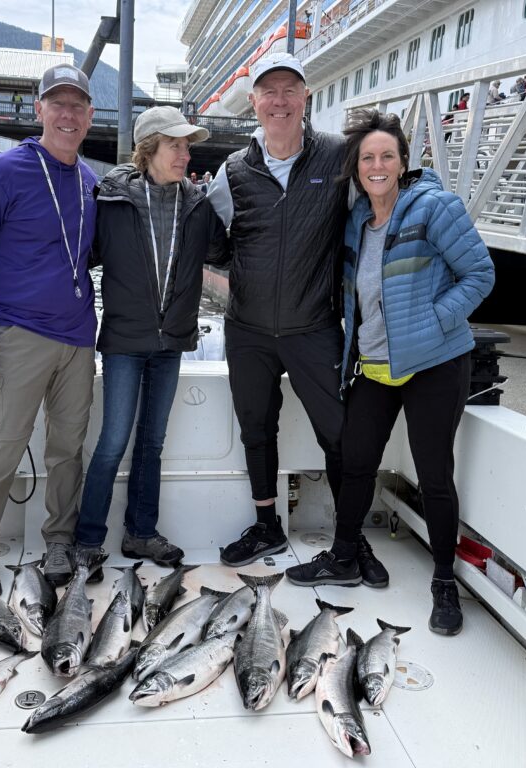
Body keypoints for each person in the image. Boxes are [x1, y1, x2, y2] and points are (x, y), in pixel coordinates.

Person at [284, 110, 495, 637]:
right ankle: (343, 555)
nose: (377, 166)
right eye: (367, 158)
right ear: (356, 168)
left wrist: (434, 320)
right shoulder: (359, 220)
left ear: (403, 162)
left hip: (434, 363)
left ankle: (445, 582)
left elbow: (480, 274)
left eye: (387, 156)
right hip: (376, 367)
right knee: (355, 461)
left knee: (434, 475)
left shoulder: (434, 207)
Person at [207, 52, 384, 577]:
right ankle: (267, 525)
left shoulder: (338, 158)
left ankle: (350, 541)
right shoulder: (233, 170)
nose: (279, 101)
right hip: (249, 329)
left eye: (290, 90)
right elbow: (212, 242)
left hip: (314, 327)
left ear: (305, 98)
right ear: (254, 103)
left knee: (339, 434)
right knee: (256, 429)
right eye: (269, 92)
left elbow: (383, 197)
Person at [0, 63, 98, 592]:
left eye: (77, 105)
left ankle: (59, 538)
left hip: (79, 340)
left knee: (67, 449)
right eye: (56, 104)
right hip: (18, 336)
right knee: (3, 446)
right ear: (38, 110)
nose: (67, 114)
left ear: (89, 115)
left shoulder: (88, 180)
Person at [73, 106, 230, 569]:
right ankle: (87, 539)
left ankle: (141, 533)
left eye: (187, 146)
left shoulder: (199, 204)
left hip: (172, 342)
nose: (184, 154)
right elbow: (77, 258)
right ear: (148, 151)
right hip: (123, 340)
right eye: (175, 145)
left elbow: (224, 250)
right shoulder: (111, 201)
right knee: (113, 441)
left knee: (152, 443)